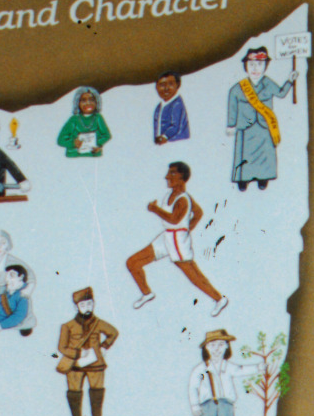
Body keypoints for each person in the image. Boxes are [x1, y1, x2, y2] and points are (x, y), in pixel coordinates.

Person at [125, 162, 227, 315]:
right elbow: (198, 213)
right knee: (133, 262)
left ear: (182, 177)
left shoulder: (183, 199)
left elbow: (174, 219)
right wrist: (187, 227)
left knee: (192, 275)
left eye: (172, 173)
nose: (167, 177)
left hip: (177, 240)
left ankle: (219, 299)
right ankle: (147, 293)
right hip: (166, 236)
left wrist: (156, 210)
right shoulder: (171, 195)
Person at [56, 287, 118, 416]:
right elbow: (62, 347)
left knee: (97, 398)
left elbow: (113, 332)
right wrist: (77, 353)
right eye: (83, 305)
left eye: (89, 303)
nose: (87, 307)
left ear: (94, 303)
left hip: (96, 366)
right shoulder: (68, 326)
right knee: (74, 398)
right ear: (76, 306)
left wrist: (104, 347)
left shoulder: (98, 323)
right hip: (75, 367)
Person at [225, 46, 293, 190]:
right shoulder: (238, 88)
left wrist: (290, 81)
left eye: (259, 64)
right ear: (246, 66)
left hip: (264, 127)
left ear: (265, 66)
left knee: (265, 155)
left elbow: (281, 93)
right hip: (245, 127)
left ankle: (263, 178)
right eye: (251, 64)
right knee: (244, 156)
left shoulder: (268, 83)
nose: (255, 68)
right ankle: (242, 180)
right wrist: (231, 125)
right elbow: (232, 105)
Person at [56, 86, 111, 158]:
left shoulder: (98, 118)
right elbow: (61, 140)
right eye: (83, 100)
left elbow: (107, 135)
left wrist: (97, 144)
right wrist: (73, 143)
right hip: (74, 157)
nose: (88, 103)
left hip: (94, 156)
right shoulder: (74, 119)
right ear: (77, 103)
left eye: (91, 100)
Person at [152, 73, 189, 145]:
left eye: (170, 84)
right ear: (156, 87)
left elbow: (175, 126)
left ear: (177, 85)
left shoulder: (177, 104)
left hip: (177, 143)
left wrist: (165, 136)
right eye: (162, 85)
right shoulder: (159, 107)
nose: (166, 88)